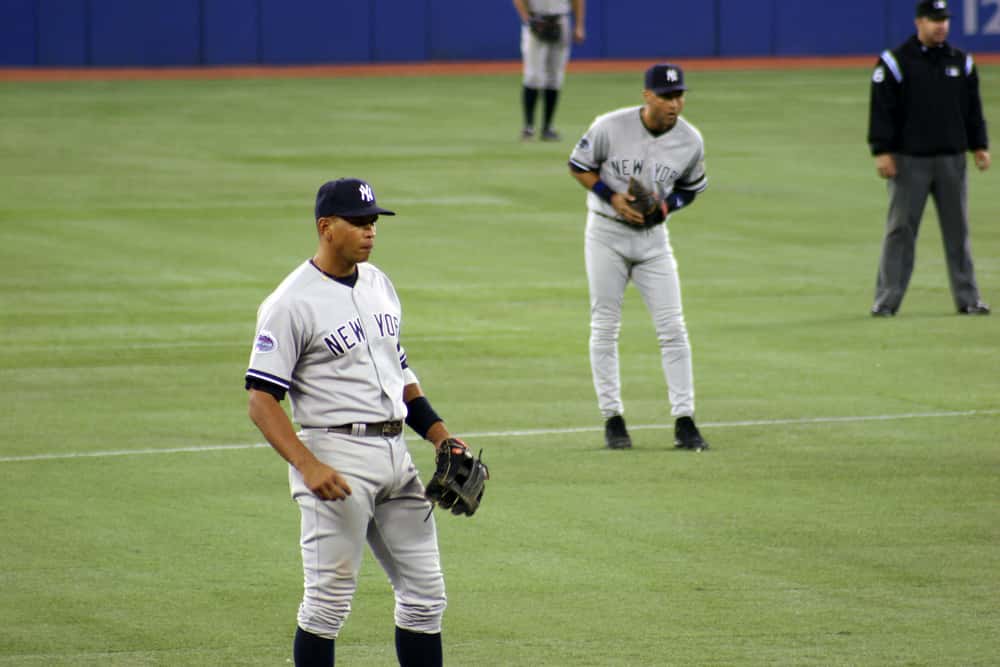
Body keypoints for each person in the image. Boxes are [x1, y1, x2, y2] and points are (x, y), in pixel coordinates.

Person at [245, 177, 469, 666]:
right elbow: (262, 400)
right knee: (328, 605)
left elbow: (399, 369)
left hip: (396, 454)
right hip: (335, 457)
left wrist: (439, 435)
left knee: (426, 598)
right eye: (359, 222)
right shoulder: (289, 303)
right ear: (326, 227)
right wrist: (308, 466)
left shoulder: (378, 283)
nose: (370, 231)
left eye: (374, 222)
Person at [568, 63, 710, 451]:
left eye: (679, 95)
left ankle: (685, 420)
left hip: (653, 241)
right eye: (666, 96)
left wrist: (664, 209)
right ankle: (613, 419)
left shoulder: (690, 140)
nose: (674, 104)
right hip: (606, 234)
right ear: (647, 95)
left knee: (673, 328)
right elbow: (578, 165)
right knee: (605, 325)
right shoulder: (610, 126)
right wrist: (611, 196)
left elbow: (691, 189)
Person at [868, 0, 991, 317]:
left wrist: (980, 145)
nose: (941, 26)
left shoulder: (961, 62)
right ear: (918, 22)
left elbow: (972, 110)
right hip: (910, 161)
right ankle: (886, 301)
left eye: (945, 20)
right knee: (900, 231)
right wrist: (882, 150)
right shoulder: (896, 62)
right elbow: (882, 110)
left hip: (952, 160)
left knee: (958, 231)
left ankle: (968, 299)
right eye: (934, 20)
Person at [513, 0, 586, 141]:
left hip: (561, 19)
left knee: (555, 77)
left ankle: (548, 127)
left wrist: (579, 25)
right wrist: (528, 19)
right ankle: (528, 127)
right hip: (536, 19)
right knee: (533, 76)